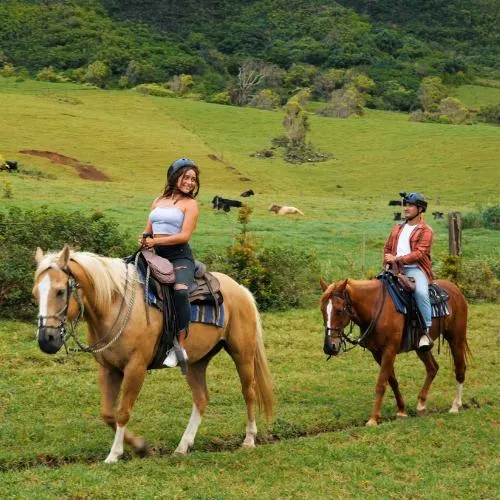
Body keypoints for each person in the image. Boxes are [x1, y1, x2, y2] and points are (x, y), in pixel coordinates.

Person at [139, 158, 200, 370]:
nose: (190, 182)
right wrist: (145, 239)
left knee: (181, 292)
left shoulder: (190, 204)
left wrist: (155, 241)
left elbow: (183, 236)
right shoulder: (158, 200)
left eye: (194, 179)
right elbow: (149, 228)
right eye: (187, 177)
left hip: (179, 257)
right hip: (155, 255)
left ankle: (179, 346)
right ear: (175, 177)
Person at [383, 192, 434, 351]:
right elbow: (387, 248)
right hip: (395, 269)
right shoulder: (398, 228)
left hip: (415, 269)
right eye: (405, 205)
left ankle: (426, 330)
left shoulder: (426, 230)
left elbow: (420, 253)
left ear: (420, 209)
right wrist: (386, 261)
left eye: (410, 205)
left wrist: (397, 259)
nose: (406, 208)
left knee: (420, 293)